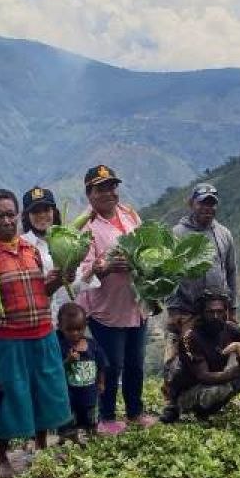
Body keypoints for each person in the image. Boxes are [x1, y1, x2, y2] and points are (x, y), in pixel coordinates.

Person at [0, 189, 72, 478]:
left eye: (11, 214)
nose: (7, 220)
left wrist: (57, 282)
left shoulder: (30, 249)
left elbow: (41, 292)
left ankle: (42, 445)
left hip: (42, 332)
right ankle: (1, 456)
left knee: (44, 391)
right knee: (8, 395)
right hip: (5, 338)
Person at [76, 165, 156, 431]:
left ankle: (135, 412)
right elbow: (82, 270)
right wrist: (104, 267)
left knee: (135, 362)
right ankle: (107, 417)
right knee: (111, 366)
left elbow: (146, 248)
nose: (108, 193)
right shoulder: (86, 227)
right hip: (107, 309)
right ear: (89, 194)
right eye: (101, 188)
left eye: (111, 187)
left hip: (136, 304)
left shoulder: (130, 215)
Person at [160, 183, 237, 424]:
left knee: (210, 355)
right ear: (191, 203)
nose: (208, 207)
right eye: (203, 202)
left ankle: (204, 401)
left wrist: (231, 307)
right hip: (185, 308)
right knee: (175, 358)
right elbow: (167, 273)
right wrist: (173, 309)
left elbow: (231, 271)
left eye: (212, 203)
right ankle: (171, 403)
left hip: (214, 311)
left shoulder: (224, 234)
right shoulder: (177, 234)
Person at [171, 289, 240, 421]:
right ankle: (197, 413)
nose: (215, 316)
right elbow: (204, 376)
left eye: (219, 312)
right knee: (216, 392)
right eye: (210, 312)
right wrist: (236, 371)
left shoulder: (230, 328)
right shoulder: (189, 337)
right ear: (201, 314)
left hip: (219, 381)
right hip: (190, 391)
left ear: (226, 313)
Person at [20, 186, 98, 322]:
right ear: (27, 216)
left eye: (46, 210)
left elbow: (76, 289)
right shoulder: (21, 246)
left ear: (54, 212)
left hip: (72, 325)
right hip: (41, 323)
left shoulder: (68, 242)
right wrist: (48, 283)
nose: (42, 215)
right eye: (35, 211)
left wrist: (91, 271)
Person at [54, 302, 107, 442]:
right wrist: (68, 361)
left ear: (85, 326)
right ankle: (68, 437)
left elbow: (101, 364)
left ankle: (92, 433)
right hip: (68, 393)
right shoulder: (60, 346)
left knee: (90, 414)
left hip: (89, 391)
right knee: (69, 416)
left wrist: (101, 383)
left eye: (79, 329)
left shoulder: (92, 344)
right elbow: (56, 369)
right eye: (69, 330)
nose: (75, 333)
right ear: (60, 327)